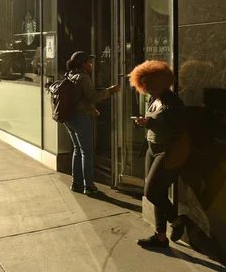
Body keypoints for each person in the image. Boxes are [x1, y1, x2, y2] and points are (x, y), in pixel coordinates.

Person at [129, 60, 186, 248]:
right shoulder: (154, 99)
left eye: (151, 87)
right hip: (152, 149)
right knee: (157, 193)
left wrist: (149, 123)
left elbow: (176, 128)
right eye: (144, 86)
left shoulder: (174, 102)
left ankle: (177, 221)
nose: (147, 90)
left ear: (162, 82)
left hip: (168, 151)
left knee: (151, 192)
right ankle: (160, 236)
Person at [64, 51, 120, 195]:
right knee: (86, 153)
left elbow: (80, 98)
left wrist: (90, 110)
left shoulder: (70, 75)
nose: (92, 65)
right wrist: (110, 91)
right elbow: (93, 96)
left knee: (77, 150)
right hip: (80, 119)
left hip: (69, 118)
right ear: (83, 64)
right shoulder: (83, 77)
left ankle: (76, 183)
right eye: (89, 62)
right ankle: (89, 186)